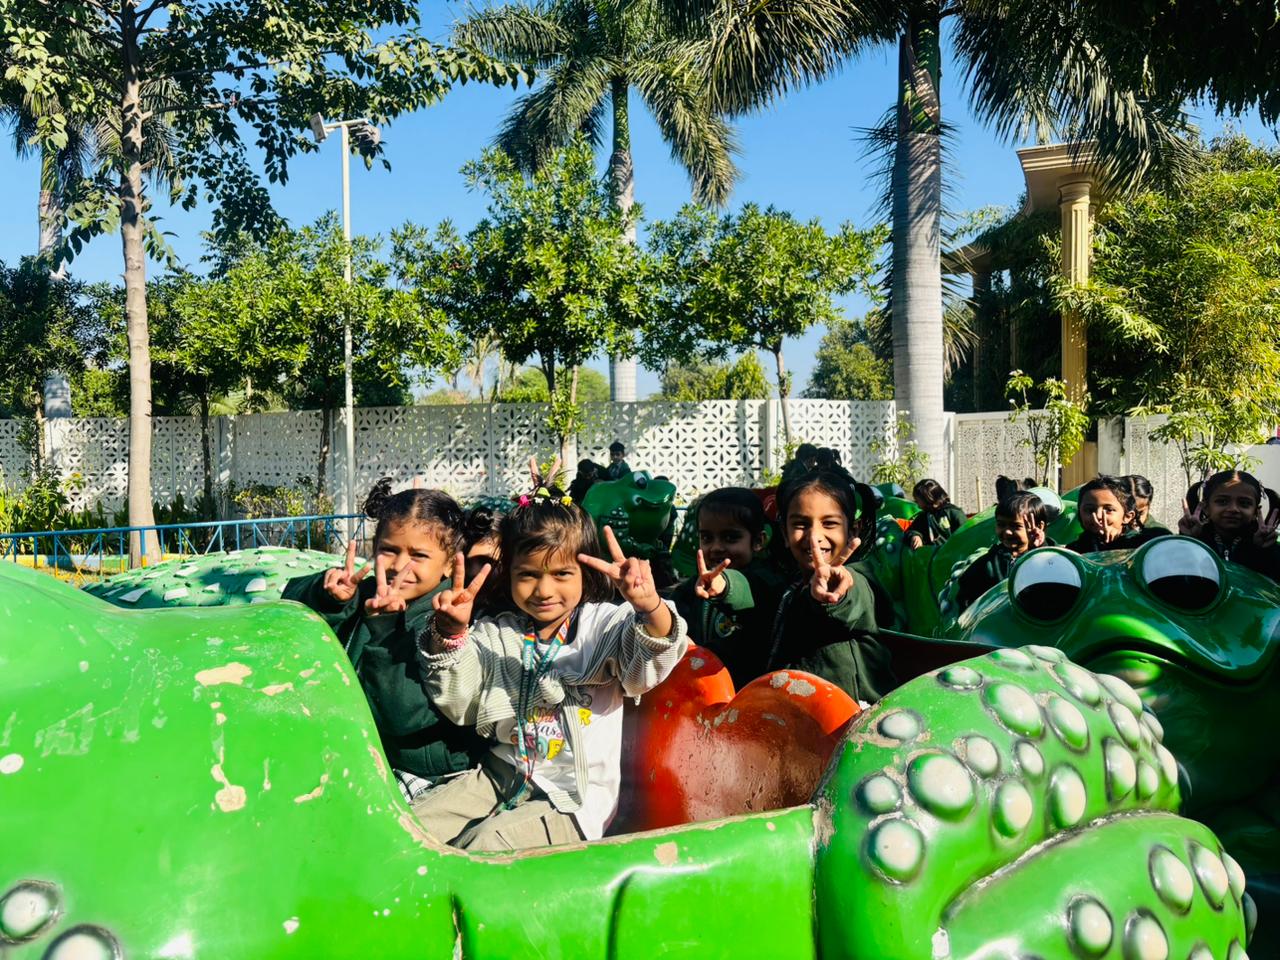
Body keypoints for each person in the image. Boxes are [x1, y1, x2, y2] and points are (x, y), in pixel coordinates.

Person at [414, 479, 688, 851]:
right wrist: (450, 632)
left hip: (574, 797)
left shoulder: (602, 626)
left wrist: (650, 606)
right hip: (501, 775)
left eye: (561, 574)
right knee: (409, 829)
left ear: (585, 573)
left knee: (484, 845)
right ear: (509, 573)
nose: (544, 591)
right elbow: (461, 701)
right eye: (528, 574)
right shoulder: (499, 632)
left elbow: (648, 660)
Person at [282, 478, 485, 804]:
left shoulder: (446, 619)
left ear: (450, 563)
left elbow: (404, 716)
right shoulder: (363, 591)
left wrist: (385, 629)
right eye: (389, 550)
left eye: (418, 555)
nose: (399, 565)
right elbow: (289, 605)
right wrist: (327, 595)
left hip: (423, 768)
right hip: (362, 748)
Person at [764, 468, 893, 704]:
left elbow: (852, 600)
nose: (815, 536)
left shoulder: (859, 578)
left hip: (854, 719)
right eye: (801, 524)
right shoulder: (788, 589)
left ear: (853, 530)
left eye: (829, 523)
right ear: (784, 533)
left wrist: (835, 594)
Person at [667, 488, 787, 689]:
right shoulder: (690, 590)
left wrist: (723, 587)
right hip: (697, 691)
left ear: (759, 541)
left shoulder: (768, 582)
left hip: (748, 694)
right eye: (707, 538)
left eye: (730, 538)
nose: (716, 547)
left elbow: (746, 592)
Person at [953, 492, 1048, 613]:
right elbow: (966, 598)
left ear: (1039, 526)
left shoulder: (1052, 558)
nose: (1007, 531)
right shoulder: (988, 564)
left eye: (1015, 526)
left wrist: (1039, 549)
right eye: (1001, 524)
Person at [1179, 470, 1280, 582]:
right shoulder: (1196, 539)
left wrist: (1263, 551)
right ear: (1206, 508)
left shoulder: (1266, 545)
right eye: (1222, 501)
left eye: (1244, 503)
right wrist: (1189, 540)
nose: (1233, 509)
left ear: (1255, 512)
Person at [1066, 476, 1167, 553]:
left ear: (1127, 516)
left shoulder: (1146, 546)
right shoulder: (1074, 552)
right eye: (1090, 510)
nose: (1098, 515)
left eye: (1109, 510)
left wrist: (1116, 544)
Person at [904, 478, 968, 549]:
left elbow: (967, 537)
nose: (917, 504)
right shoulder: (924, 516)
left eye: (918, 500)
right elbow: (910, 531)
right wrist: (915, 536)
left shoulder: (954, 513)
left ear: (928, 498)